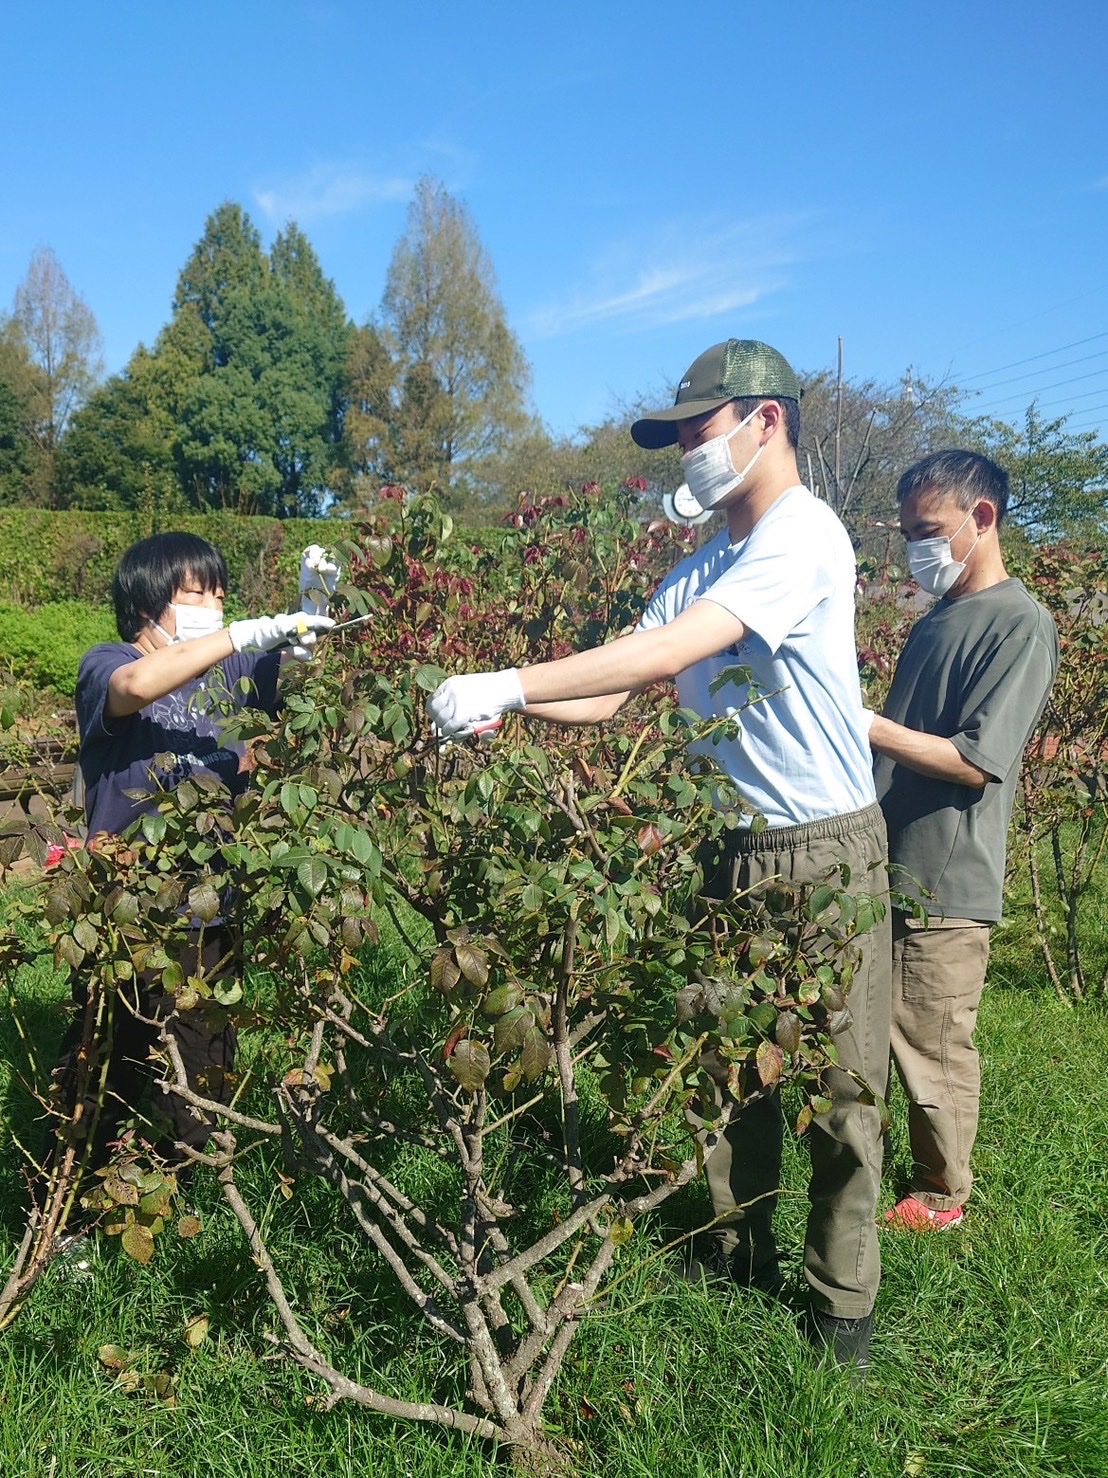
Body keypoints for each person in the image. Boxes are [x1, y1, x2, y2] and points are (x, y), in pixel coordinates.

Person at [427, 338, 892, 1370]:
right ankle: (730, 1258)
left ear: (764, 420)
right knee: (725, 1069)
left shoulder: (802, 536)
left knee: (842, 1086)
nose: (685, 449)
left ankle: (840, 1305)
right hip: (725, 848)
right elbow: (615, 687)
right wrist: (521, 705)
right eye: (677, 434)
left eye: (698, 428)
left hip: (823, 850)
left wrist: (509, 675)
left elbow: (677, 650)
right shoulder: (698, 569)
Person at [51, 533, 335, 1180]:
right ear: (147, 603)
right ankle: (70, 1197)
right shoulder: (109, 660)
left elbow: (302, 684)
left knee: (204, 1056)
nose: (214, 604)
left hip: (211, 899)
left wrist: (311, 611)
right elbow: (135, 685)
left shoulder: (232, 672)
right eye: (196, 592)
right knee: (107, 1058)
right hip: (127, 905)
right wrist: (242, 631)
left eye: (221, 593)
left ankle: (180, 1186)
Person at [869, 451, 1058, 1231]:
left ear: (982, 519)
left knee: (932, 1044)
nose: (917, 548)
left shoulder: (1020, 622)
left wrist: (865, 723)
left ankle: (942, 1199)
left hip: (944, 877)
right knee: (878, 1036)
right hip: (882, 863)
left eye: (930, 530)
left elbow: (976, 762)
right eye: (910, 531)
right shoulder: (936, 619)